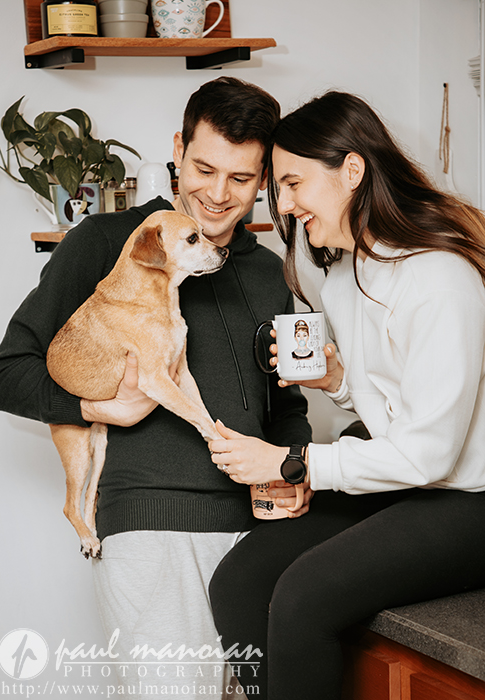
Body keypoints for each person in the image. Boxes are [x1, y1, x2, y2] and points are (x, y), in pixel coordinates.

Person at [0, 77, 313, 699]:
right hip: (148, 532)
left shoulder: (271, 273)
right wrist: (92, 404)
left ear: (265, 179)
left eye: (241, 180)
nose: (217, 196)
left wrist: (291, 468)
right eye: (203, 168)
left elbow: (289, 405)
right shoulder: (107, 243)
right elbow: (4, 373)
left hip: (255, 539)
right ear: (177, 149)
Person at [207, 90, 485, 700]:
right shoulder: (342, 277)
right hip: (409, 481)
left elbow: (430, 455)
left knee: (304, 597)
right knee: (238, 582)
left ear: (352, 171)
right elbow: (394, 415)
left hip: (469, 498)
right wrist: (339, 383)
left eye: (293, 182)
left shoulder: (441, 278)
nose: (284, 204)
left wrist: (292, 461)